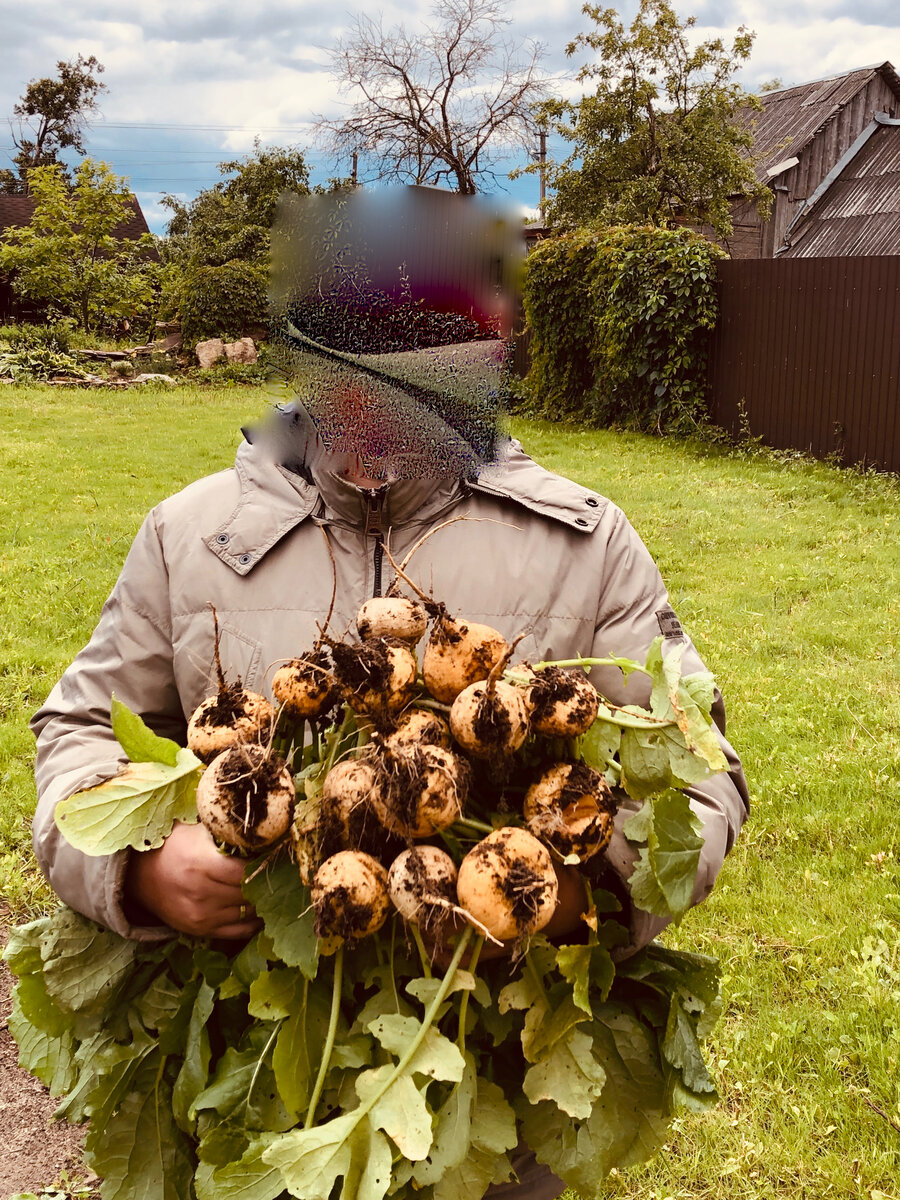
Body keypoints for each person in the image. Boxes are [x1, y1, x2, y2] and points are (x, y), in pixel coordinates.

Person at [30, 187, 749, 1200]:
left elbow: (706, 777)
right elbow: (73, 733)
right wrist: (146, 876)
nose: (376, 416)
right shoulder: (189, 537)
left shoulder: (586, 545)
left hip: (482, 1079)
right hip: (253, 1074)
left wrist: (585, 892)